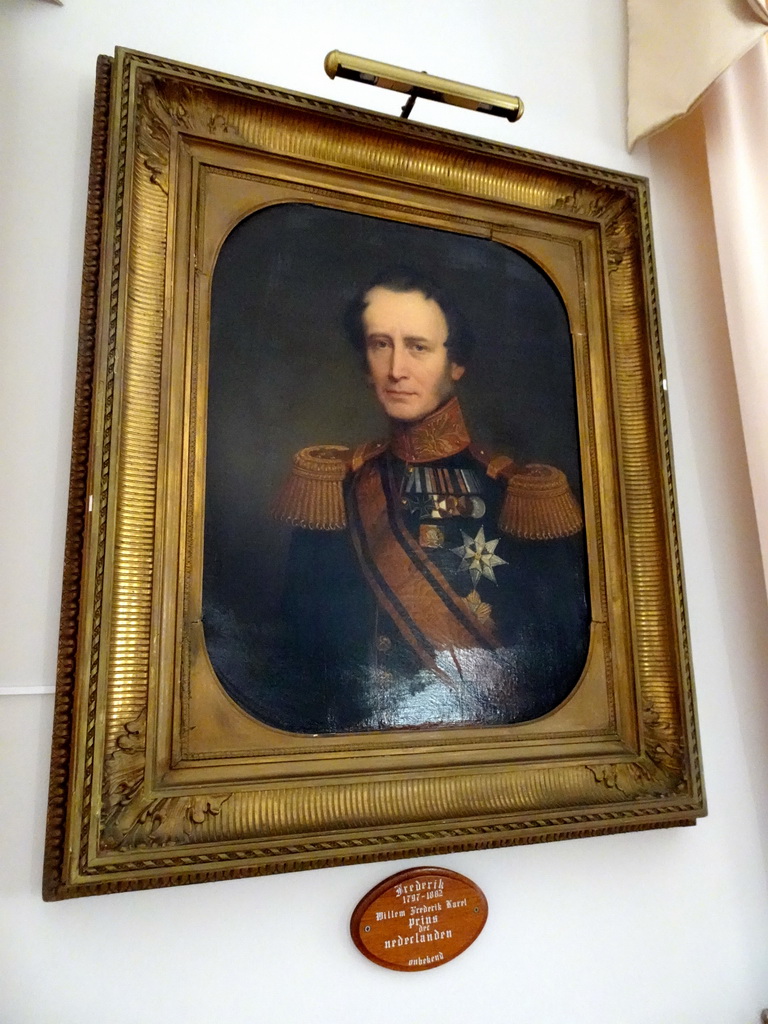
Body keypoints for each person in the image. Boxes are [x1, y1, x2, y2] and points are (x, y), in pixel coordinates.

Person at [262, 269, 590, 733]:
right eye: (380, 344)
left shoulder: (521, 496)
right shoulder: (333, 490)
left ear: (455, 364)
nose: (396, 370)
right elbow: (297, 653)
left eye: (418, 347)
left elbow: (555, 659)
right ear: (364, 362)